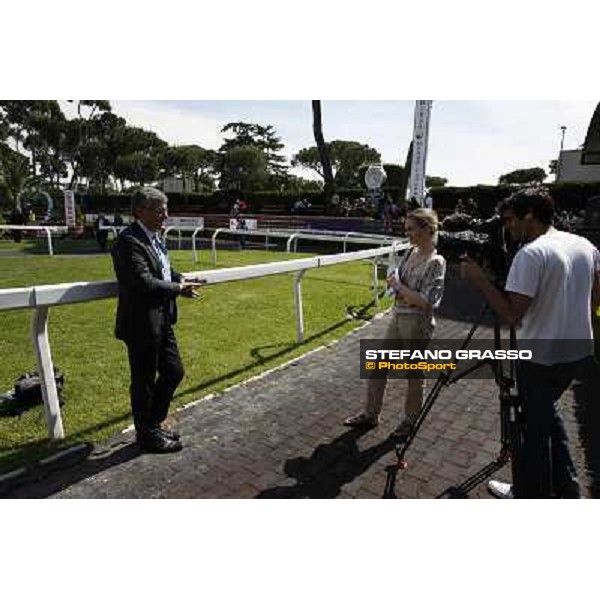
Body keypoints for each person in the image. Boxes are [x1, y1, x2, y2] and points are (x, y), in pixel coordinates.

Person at [461, 188, 600, 499]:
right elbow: (594, 298)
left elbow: (511, 315)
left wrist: (480, 280)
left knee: (531, 432)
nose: (507, 228)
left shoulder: (531, 253)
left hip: (540, 358)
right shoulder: (584, 245)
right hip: (576, 352)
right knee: (548, 415)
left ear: (529, 216)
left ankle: (527, 494)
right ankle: (566, 488)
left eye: (510, 220)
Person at [111, 187, 204, 453]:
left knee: (174, 371)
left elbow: (161, 268)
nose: (166, 214)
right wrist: (178, 289)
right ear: (140, 211)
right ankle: (147, 436)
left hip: (162, 320)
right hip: (140, 324)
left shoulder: (153, 237)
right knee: (144, 381)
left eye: (166, 208)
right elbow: (142, 280)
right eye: (159, 209)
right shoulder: (128, 241)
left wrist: (180, 277)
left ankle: (152, 424)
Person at [344, 208, 446, 437]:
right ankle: (371, 414)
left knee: (414, 375)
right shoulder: (411, 252)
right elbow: (402, 285)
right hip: (398, 316)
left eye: (411, 229)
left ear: (427, 229)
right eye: (406, 229)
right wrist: (394, 283)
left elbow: (426, 302)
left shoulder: (436, 261)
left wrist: (400, 288)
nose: (407, 233)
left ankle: (410, 421)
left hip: (418, 324)